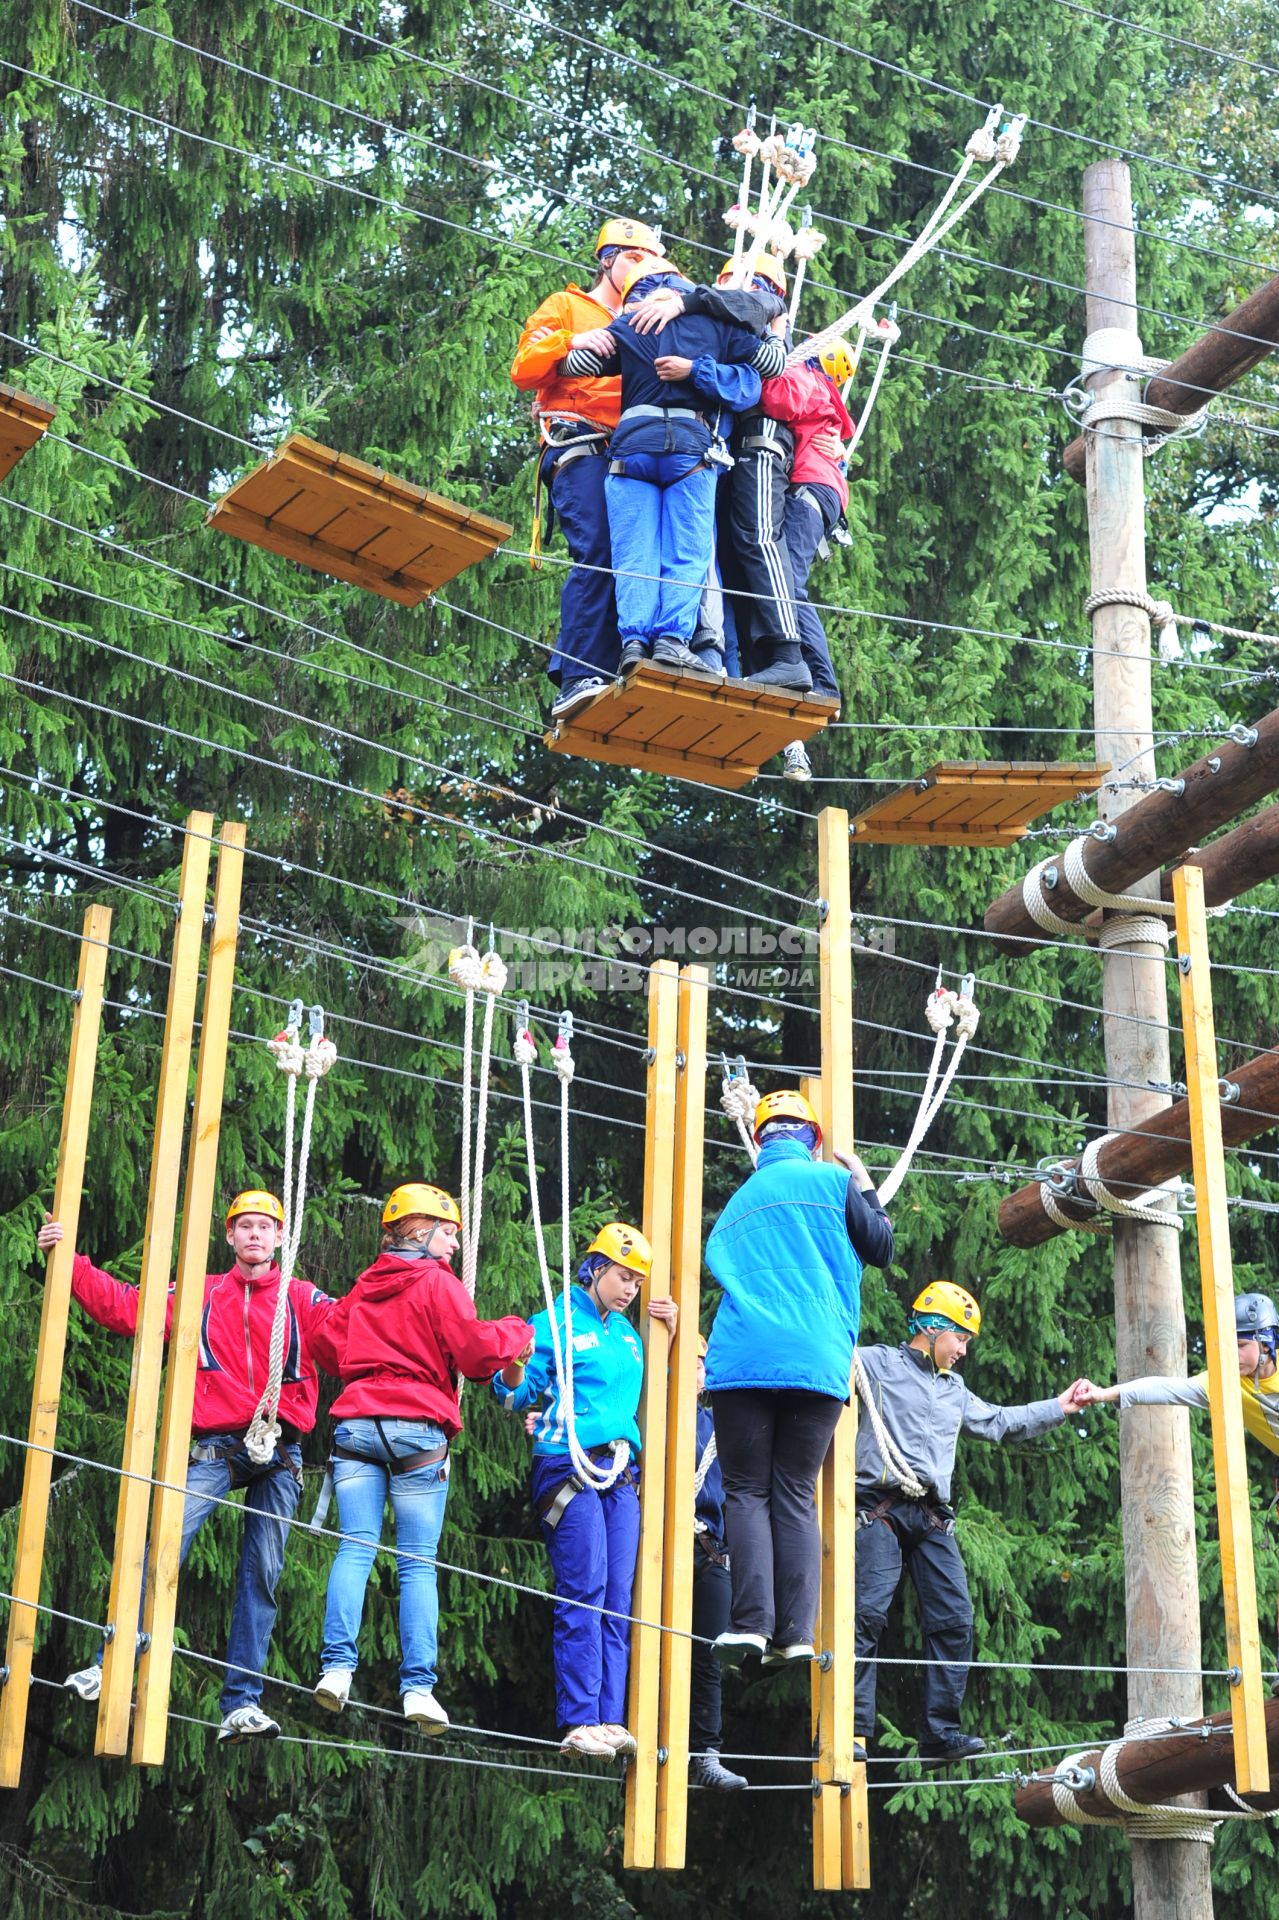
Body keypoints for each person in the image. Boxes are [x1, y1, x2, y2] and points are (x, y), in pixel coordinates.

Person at [37, 1190, 335, 1744]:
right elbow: (126, 1306)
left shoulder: (302, 1298)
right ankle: (114, 1664)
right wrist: (69, 1255)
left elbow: (352, 1334)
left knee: (263, 1572)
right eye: (244, 1226)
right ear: (229, 1236)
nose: (253, 1235)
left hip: (281, 1448)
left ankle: (242, 1702)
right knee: (164, 1546)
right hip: (218, 1445)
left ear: (278, 1237)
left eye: (263, 1227)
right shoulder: (201, 1294)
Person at [308, 1183, 534, 1733]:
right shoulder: (440, 1285)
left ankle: (336, 1671)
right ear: (421, 1230)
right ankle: (418, 1689)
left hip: (357, 1426)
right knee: (416, 1563)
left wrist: (370, 1358)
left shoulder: (363, 1288)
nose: (455, 1244)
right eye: (450, 1232)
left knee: (355, 1550)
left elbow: (324, 1343)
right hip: (417, 1432)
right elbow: (478, 1357)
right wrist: (516, 1331)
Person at [853, 1282, 1091, 1764]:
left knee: (955, 1620)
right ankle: (851, 1729)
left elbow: (1000, 1422)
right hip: (878, 1508)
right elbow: (823, 1351)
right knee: (866, 1615)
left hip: (930, 1516)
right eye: (960, 1338)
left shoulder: (955, 1390)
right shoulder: (875, 1363)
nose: (963, 1350)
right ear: (933, 1327)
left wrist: (1058, 1408)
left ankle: (939, 1734)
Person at [703, 1091, 894, 1671]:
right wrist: (861, 1178)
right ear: (813, 1138)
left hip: (744, 1360)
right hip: (816, 1362)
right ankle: (796, 1632)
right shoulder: (833, 1186)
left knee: (745, 1491)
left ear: (759, 1140)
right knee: (794, 1492)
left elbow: (717, 1263)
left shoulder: (738, 1202)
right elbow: (881, 1248)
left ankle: (751, 1626)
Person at [495, 1221, 678, 1758]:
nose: (629, 1291)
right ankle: (579, 1719)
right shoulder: (552, 1322)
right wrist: (510, 1371)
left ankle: (608, 1717)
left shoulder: (628, 1333)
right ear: (596, 1269)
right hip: (568, 1468)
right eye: (623, 1277)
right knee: (585, 1589)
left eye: (638, 1284)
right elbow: (515, 1396)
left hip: (620, 1472)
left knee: (619, 1598)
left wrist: (672, 1327)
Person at [560, 259, 786, 672]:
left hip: (631, 448)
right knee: (686, 551)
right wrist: (776, 335)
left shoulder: (630, 326)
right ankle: (671, 640)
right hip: (689, 449)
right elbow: (771, 365)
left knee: (634, 553)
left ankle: (633, 644)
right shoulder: (718, 327)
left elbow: (576, 368)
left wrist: (583, 341)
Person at [512, 217, 666, 721]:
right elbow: (525, 367)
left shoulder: (651, 319)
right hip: (580, 441)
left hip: (634, 447)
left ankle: (627, 660)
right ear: (608, 259)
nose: (642, 270)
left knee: (637, 556)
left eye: (650, 262)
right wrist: (572, 344)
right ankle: (578, 673)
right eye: (634, 258)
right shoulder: (566, 306)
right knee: (597, 548)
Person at [1078, 1291, 1279, 1453]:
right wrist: (1103, 1393)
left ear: (1266, 1345)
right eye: (1229, 1346)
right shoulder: (1223, 1381)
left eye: (1241, 1345)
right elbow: (1164, 1388)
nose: (1232, 1355)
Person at [689, 1335, 747, 1790]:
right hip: (657, 1543)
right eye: (688, 1361)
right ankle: (639, 1741)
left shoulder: (716, 1425)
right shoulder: (646, 1414)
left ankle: (706, 1755)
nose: (696, 1371)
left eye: (701, 1364)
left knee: (709, 1655)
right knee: (646, 1647)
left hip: (708, 1548)